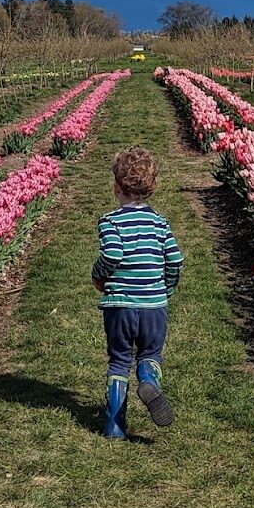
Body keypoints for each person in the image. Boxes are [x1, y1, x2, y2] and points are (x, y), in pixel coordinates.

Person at [91, 147, 183, 439]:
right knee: (150, 353)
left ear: (116, 186)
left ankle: (115, 426)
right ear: (152, 187)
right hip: (154, 305)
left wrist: (98, 274)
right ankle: (148, 380)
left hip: (119, 304)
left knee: (118, 361)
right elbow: (176, 259)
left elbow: (113, 253)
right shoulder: (160, 223)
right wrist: (166, 287)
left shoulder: (110, 221)